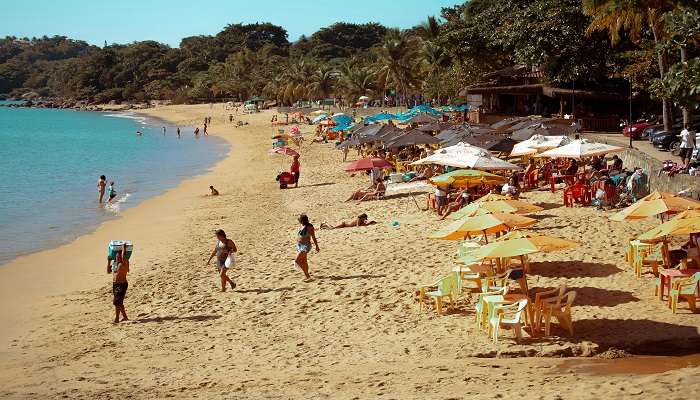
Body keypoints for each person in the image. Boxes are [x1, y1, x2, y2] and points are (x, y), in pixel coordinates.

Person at [108, 244, 129, 323]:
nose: (118, 257)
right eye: (117, 256)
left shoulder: (124, 263)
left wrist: (124, 248)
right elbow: (108, 271)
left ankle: (117, 319)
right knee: (119, 302)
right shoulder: (115, 264)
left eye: (119, 256)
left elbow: (124, 257)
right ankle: (125, 317)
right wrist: (109, 261)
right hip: (115, 285)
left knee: (117, 302)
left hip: (122, 284)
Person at [295, 214, 319, 281]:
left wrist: (317, 246)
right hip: (299, 245)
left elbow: (313, 237)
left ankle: (307, 275)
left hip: (305, 246)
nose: (298, 220)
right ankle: (307, 276)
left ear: (302, 220)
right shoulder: (302, 225)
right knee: (304, 261)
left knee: (297, 261)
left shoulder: (309, 227)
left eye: (299, 219)